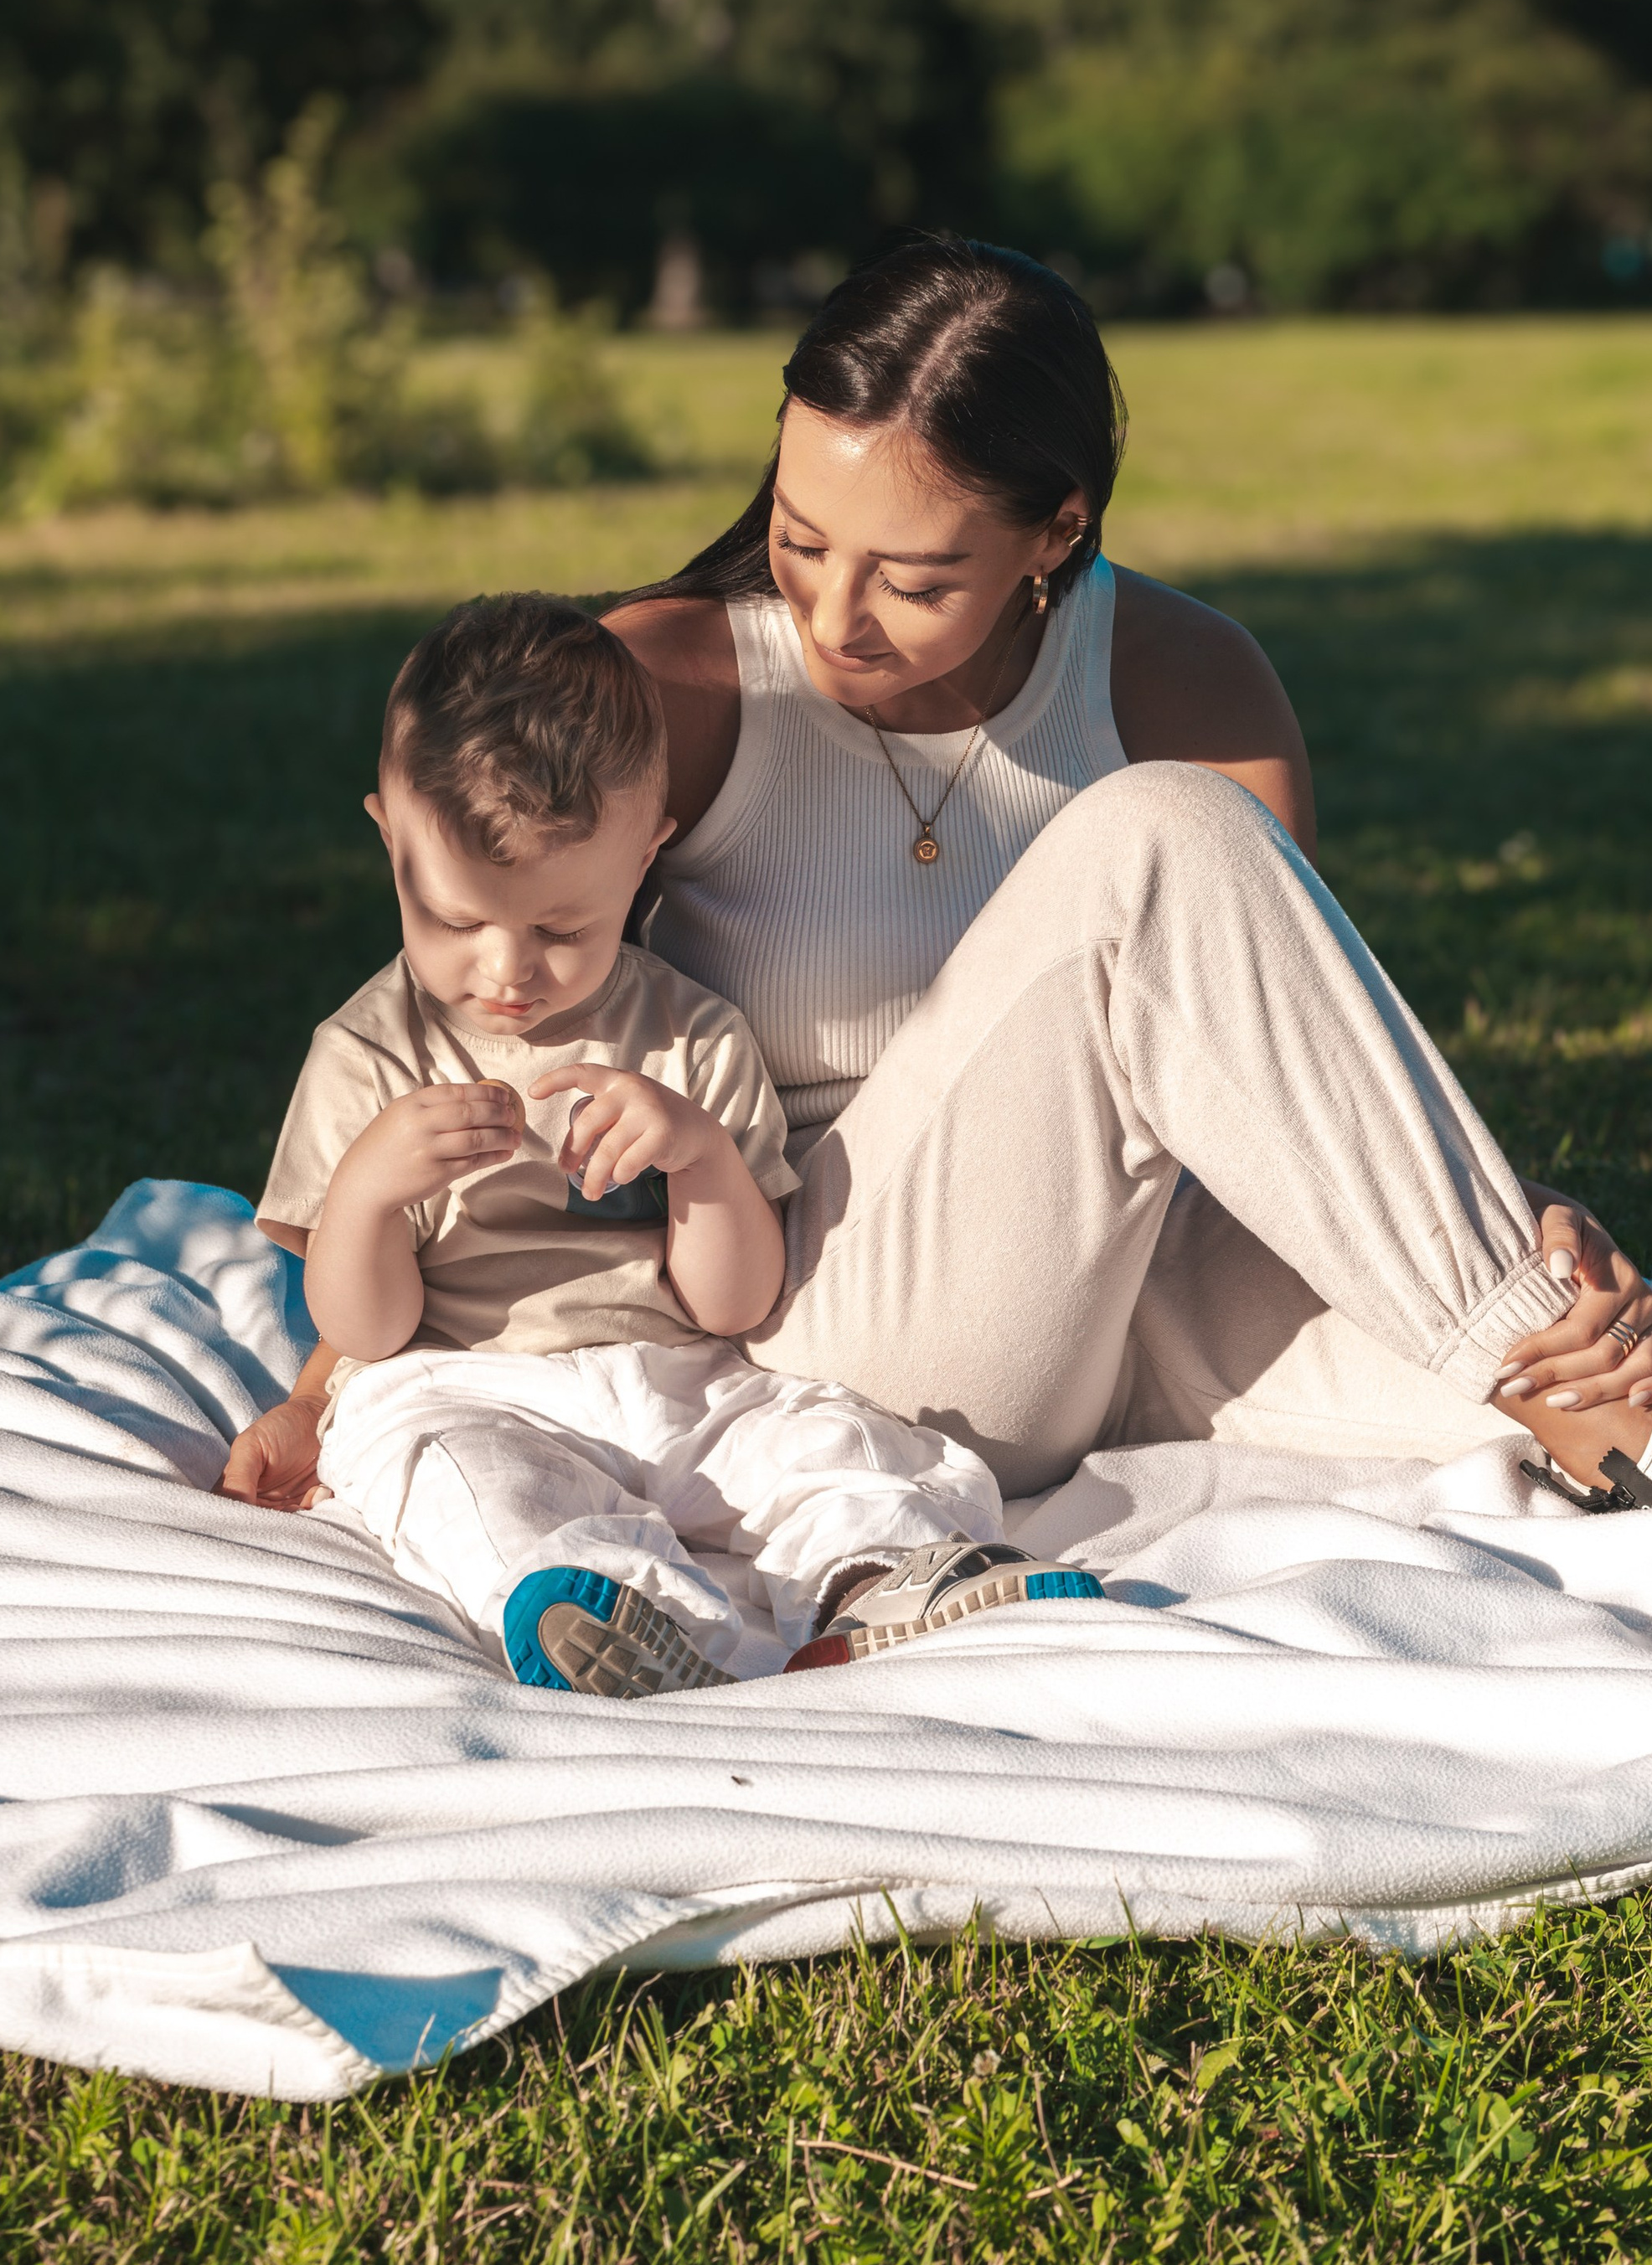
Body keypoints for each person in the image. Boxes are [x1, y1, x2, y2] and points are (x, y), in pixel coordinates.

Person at [226, 240, 1652, 1537]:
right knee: (1148, 842)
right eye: (798, 536)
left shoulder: (1192, 683)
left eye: (910, 576)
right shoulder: (668, 686)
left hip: (1145, 1282)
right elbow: (487, 1007)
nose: (832, 617)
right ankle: (1543, 1359)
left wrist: (1507, 1208)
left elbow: (1274, 1056)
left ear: (1053, 530)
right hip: (838, 1309)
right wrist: (342, 1372)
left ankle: (1628, 1390)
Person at [253, 591, 1106, 1695]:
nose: (508, 971)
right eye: (458, 921)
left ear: (647, 852)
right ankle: (615, 1611)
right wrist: (366, 1197)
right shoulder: (371, 1053)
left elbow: (735, 1303)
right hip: (459, 1377)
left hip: (675, 1376)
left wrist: (697, 1156)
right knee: (447, 1476)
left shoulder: (689, 1033)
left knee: (823, 1438)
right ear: (391, 836)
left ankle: (885, 1574)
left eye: (565, 930)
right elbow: (366, 1327)